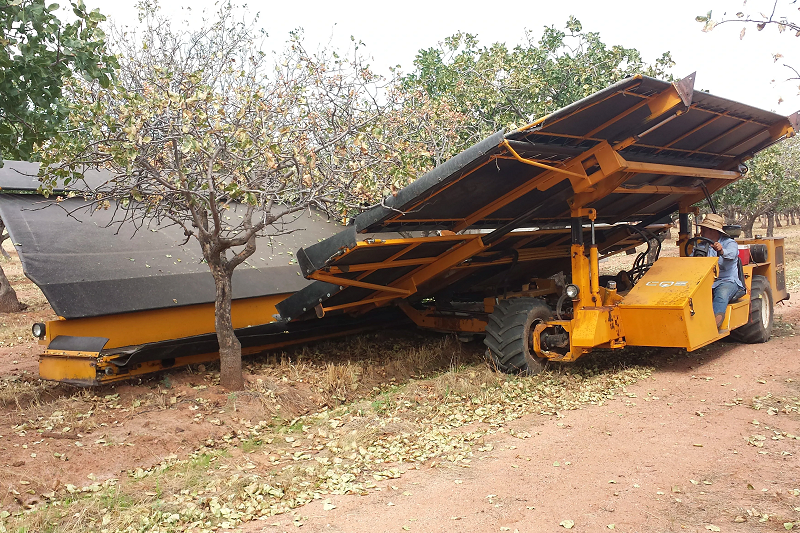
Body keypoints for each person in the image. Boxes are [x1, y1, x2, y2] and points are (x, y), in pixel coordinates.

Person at [698, 213, 745, 328]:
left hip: (727, 281)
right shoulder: (701, 245)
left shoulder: (730, 243)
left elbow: (732, 254)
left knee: (721, 294)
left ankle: (713, 324)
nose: (701, 231)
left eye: (703, 229)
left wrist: (722, 251)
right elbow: (691, 259)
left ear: (712, 230)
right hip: (706, 280)